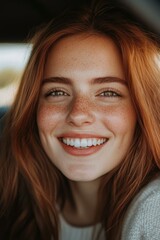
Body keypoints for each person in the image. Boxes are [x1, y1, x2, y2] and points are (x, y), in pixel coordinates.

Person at [0, 0, 160, 239]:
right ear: (33, 107)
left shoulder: (153, 208)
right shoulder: (11, 199)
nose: (78, 114)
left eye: (108, 93)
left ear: (142, 109)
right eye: (57, 92)